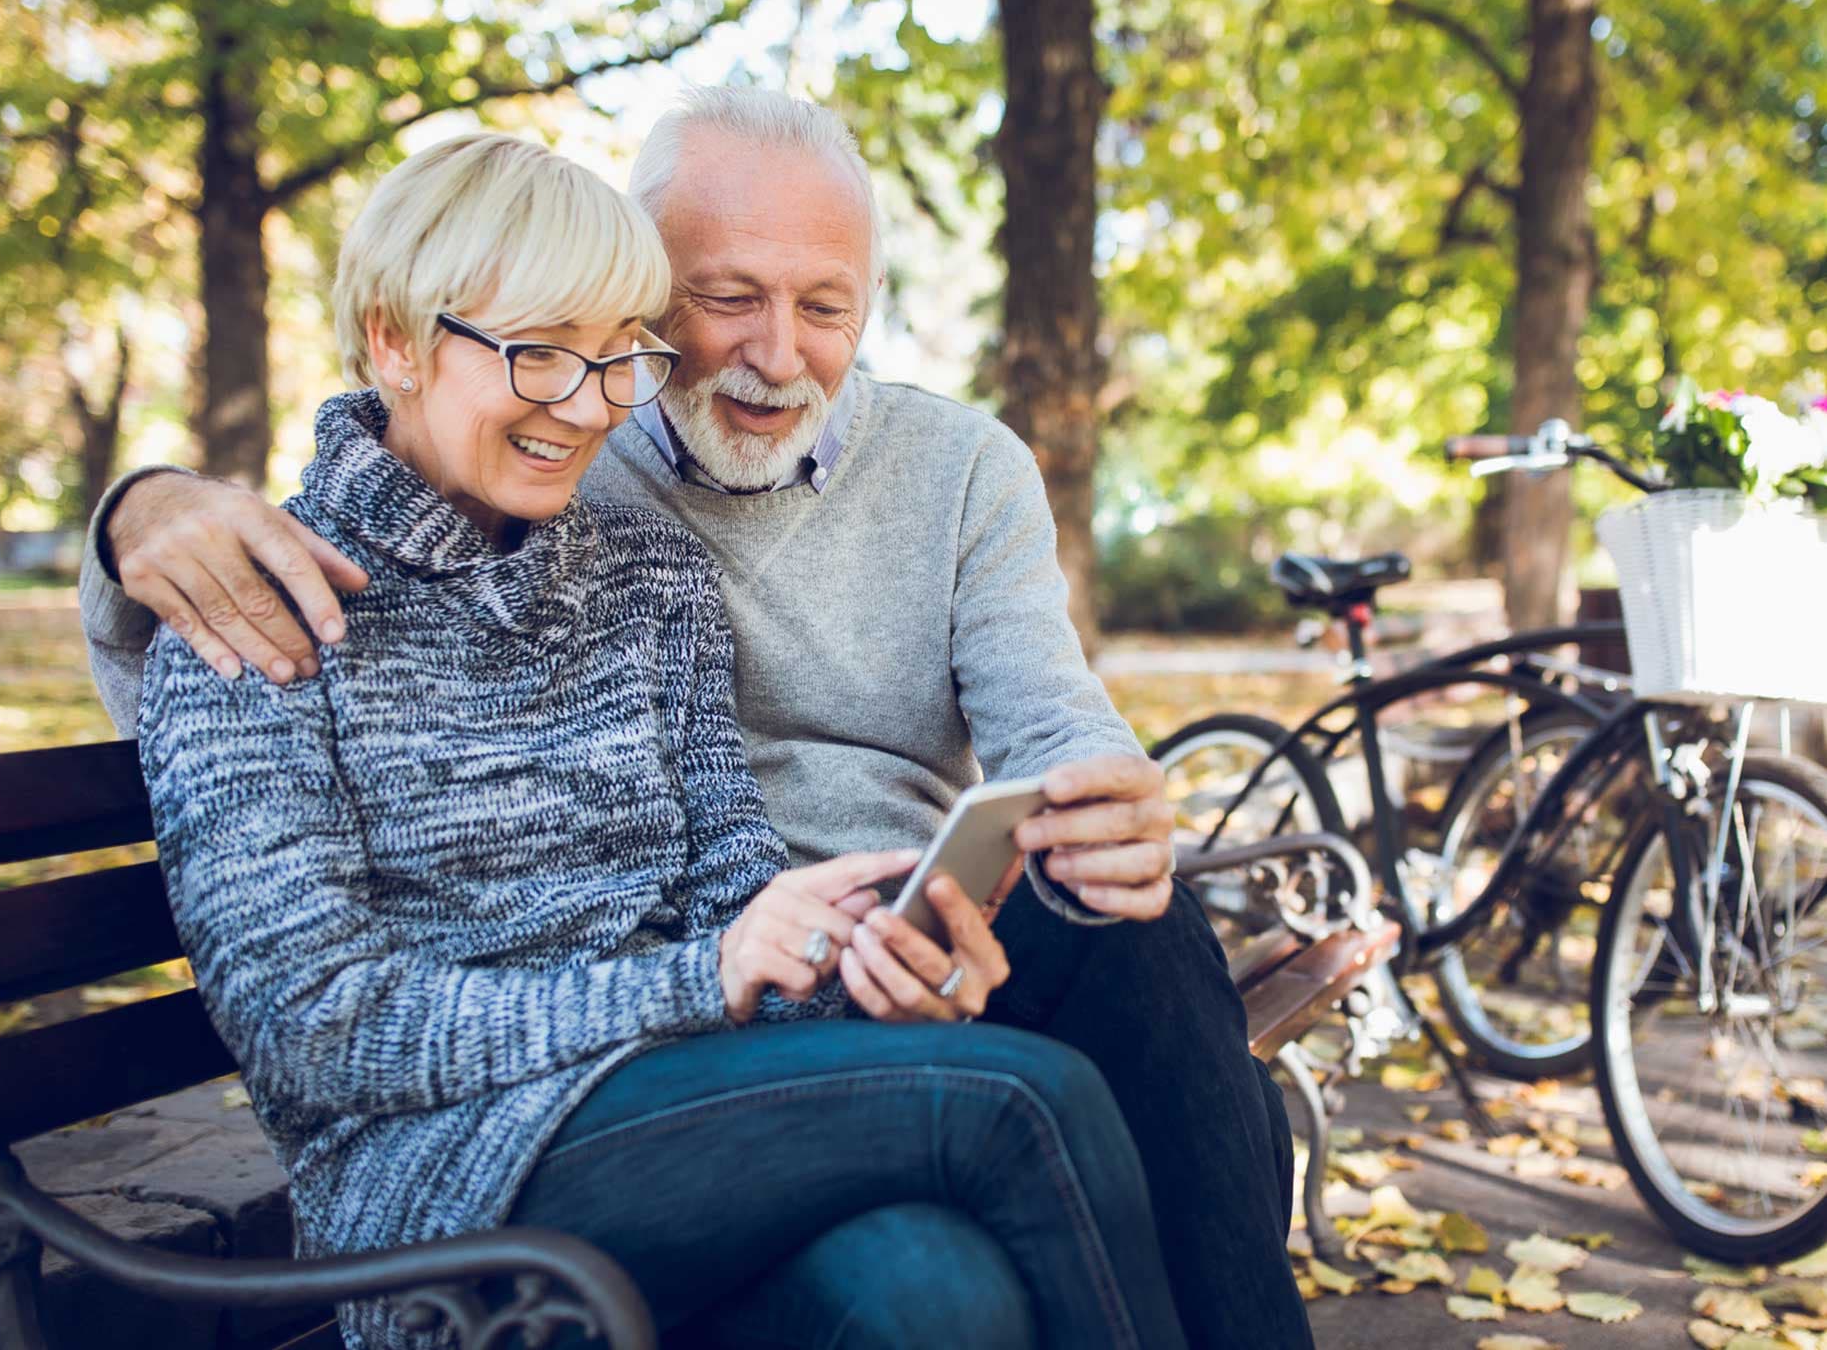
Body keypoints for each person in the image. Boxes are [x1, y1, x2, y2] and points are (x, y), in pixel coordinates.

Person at [87, 91, 1312, 1348]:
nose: (585, 402)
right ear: (395, 341)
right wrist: (136, 507)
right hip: (450, 1169)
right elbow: (314, 1030)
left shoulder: (639, 575)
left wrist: (847, 965)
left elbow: (736, 888)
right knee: (1022, 1104)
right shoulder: (258, 607)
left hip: (691, 1084)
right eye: (542, 352)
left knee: (932, 1283)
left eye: (613, 355)